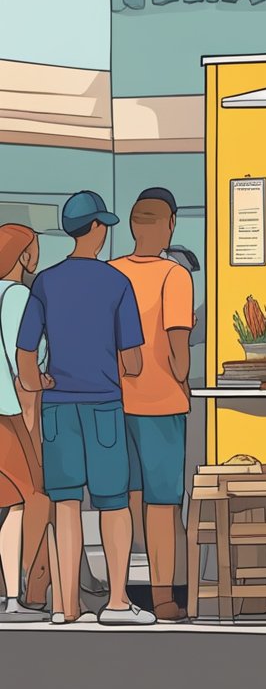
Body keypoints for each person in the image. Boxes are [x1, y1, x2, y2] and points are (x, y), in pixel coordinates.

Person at [16, 190, 157, 625]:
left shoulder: (45, 283)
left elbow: (25, 356)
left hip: (58, 409)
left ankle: (67, 608)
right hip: (102, 407)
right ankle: (116, 603)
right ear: (95, 229)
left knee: (66, 504)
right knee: (113, 503)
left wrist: (39, 381)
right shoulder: (116, 283)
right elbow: (133, 361)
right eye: (105, 226)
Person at [111, 188, 194, 621]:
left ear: (131, 225)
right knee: (163, 505)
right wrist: (183, 376)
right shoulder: (174, 276)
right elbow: (180, 355)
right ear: (170, 225)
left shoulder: (110, 272)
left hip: (114, 405)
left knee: (123, 502)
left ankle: (121, 593)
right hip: (161, 406)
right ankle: (163, 597)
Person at [0, 224, 50, 615]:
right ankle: (20, 593)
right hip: (10, 412)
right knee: (30, 498)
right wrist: (42, 378)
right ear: (22, 256)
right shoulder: (18, 296)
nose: (36, 256)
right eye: (33, 249)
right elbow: (26, 358)